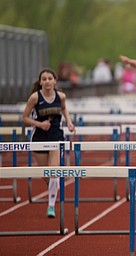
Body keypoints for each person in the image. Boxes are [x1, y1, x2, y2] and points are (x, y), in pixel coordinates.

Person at [22, 68, 76, 218]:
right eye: (44, 79)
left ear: (54, 81)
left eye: (49, 78)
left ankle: (51, 206)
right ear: (40, 82)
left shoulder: (61, 96)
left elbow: (64, 109)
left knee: (54, 172)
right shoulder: (35, 98)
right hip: (39, 136)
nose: (47, 81)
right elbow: (24, 118)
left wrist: (70, 123)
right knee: (46, 174)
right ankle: (53, 187)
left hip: (56, 136)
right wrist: (39, 124)